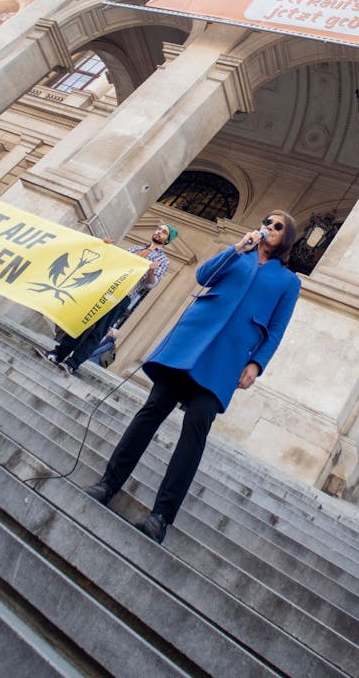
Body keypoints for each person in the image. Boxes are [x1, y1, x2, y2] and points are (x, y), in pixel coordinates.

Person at [84, 211, 302, 544]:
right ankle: (108, 483)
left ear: (286, 238)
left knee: (195, 430)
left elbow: (276, 330)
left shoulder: (288, 282)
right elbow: (203, 275)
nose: (268, 228)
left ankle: (161, 517)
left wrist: (256, 364)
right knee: (151, 411)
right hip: (188, 345)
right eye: (266, 222)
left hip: (226, 360)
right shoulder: (238, 255)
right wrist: (236, 249)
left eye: (277, 227)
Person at [47, 223, 176, 373]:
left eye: (164, 232)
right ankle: (58, 354)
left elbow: (150, 284)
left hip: (124, 296)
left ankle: (72, 364)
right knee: (82, 323)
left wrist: (151, 270)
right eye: (158, 229)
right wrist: (107, 248)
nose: (159, 232)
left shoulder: (163, 260)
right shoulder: (135, 249)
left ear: (167, 240)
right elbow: (114, 264)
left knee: (98, 331)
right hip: (106, 290)